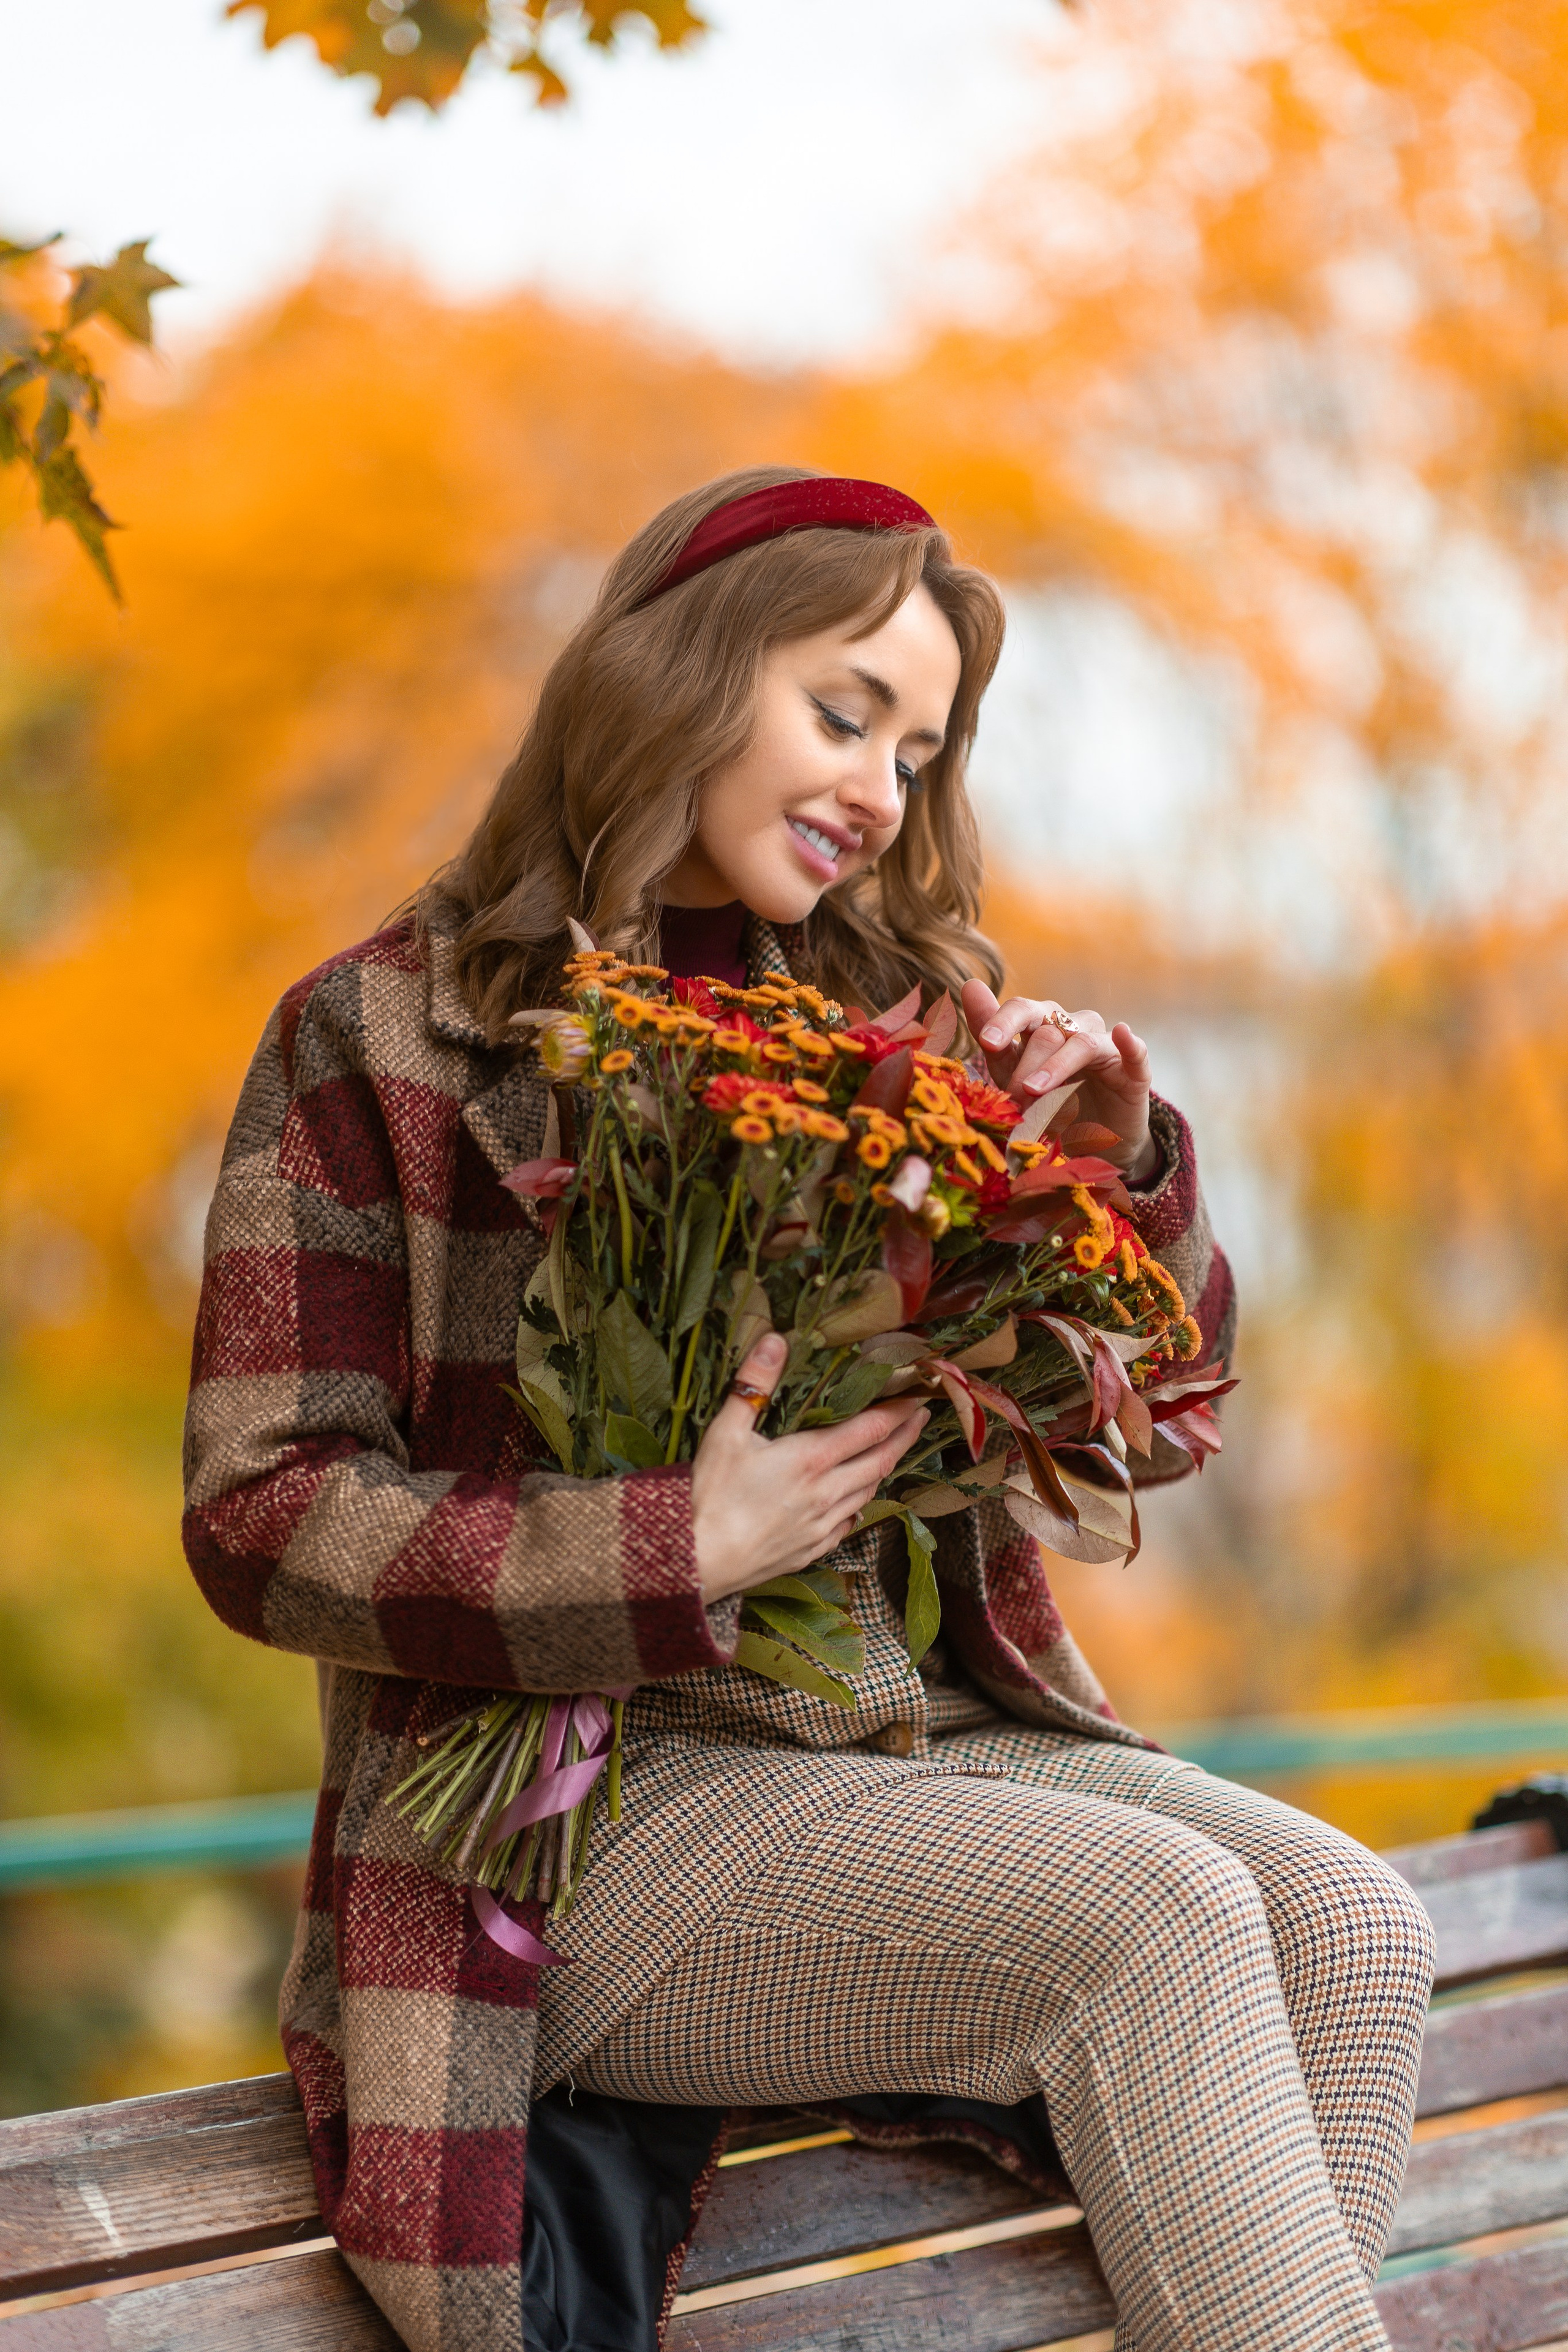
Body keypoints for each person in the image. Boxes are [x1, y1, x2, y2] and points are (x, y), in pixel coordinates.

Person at [183, 466, 1434, 2352]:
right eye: (844, 715)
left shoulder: (899, 1035)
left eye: (916, 753)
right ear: (678, 675)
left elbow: (1159, 1423)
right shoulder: (382, 1037)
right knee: (1162, 1920)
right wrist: (675, 1545)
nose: (882, 791)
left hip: (917, 1746)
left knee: (1355, 1928)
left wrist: (1120, 1167)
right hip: (579, 1813)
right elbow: (262, 1512)